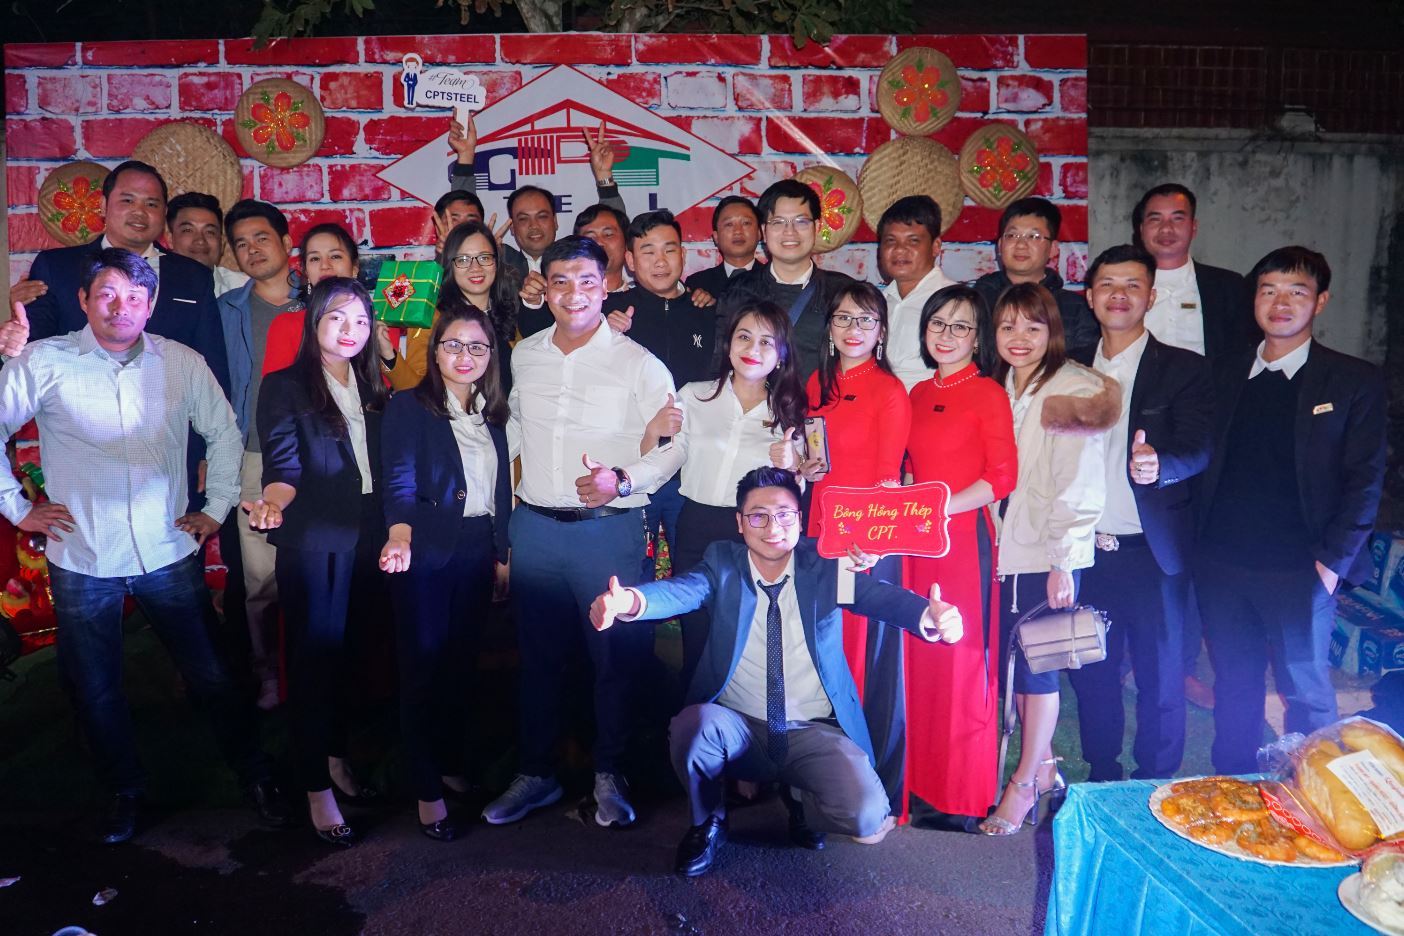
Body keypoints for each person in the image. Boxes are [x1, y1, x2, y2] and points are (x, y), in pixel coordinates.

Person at [0, 248, 290, 844]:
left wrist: (215, 507)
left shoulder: (180, 361)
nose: (121, 308)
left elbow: (224, 433)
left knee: (213, 676)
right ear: (84, 300)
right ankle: (124, 791)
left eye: (135, 297)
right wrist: (18, 508)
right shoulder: (45, 361)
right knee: (97, 687)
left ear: (151, 305)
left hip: (166, 551)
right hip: (83, 556)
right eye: (107, 294)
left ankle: (256, 775)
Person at [589, 467, 964, 876]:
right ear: (740, 522)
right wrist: (629, 601)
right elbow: (680, 591)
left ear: (800, 520)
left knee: (867, 816)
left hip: (811, 729)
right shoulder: (722, 562)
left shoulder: (827, 566)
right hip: (739, 727)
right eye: (758, 516)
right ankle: (708, 821)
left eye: (785, 515)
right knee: (692, 728)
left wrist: (929, 616)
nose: (773, 528)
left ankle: (801, 799)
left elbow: (877, 598)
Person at [480, 236, 683, 830]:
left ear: (607, 285)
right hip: (535, 529)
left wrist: (623, 479)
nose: (574, 294)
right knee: (539, 660)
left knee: (613, 660)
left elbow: (677, 444)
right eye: (561, 281)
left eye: (587, 281)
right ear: (545, 288)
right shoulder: (524, 356)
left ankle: (611, 773)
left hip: (608, 532)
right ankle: (536, 774)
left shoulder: (639, 363)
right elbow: (513, 431)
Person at [1195, 246, 1386, 774]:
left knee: (1305, 688)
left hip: (1302, 568)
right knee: (1234, 684)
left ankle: (1316, 796)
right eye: (1269, 290)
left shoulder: (1351, 380)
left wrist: (1332, 565)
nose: (1280, 303)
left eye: (1296, 292)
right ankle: (1234, 786)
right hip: (1223, 563)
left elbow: (1365, 480)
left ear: (1320, 302)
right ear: (1254, 299)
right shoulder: (1224, 371)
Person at [246, 277, 390, 848]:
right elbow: (282, 467)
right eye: (337, 317)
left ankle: (335, 758)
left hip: (370, 539)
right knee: (312, 665)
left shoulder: (374, 385)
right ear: (314, 322)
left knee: (352, 659)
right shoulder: (285, 386)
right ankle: (314, 788)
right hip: (314, 543)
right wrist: (273, 504)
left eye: (360, 320)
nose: (350, 330)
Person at [1066, 245, 1214, 782]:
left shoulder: (1183, 369)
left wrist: (1161, 465)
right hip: (1085, 552)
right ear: (1090, 296)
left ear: (1150, 297)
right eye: (1108, 284)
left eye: (1133, 285)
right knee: (1093, 674)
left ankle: (1155, 781)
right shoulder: (1068, 367)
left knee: (1161, 678)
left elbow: (1201, 445)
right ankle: (1102, 774)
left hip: (1152, 553)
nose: (1119, 295)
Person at [980, 283, 1118, 836]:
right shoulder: (1000, 386)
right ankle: (1042, 769)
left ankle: (1022, 785)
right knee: (1018, 662)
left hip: (1045, 549)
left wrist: (1064, 560)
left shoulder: (1073, 389)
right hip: (1006, 546)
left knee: (1040, 666)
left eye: (1033, 327)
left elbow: (1080, 486)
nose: (1020, 338)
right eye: (1008, 326)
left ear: (1053, 332)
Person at [379, 303, 513, 842]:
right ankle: (426, 789)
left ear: (490, 356)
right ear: (434, 353)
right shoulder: (409, 407)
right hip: (424, 552)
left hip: (476, 551)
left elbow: (499, 491)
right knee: (423, 669)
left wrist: (501, 553)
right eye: (452, 344)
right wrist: (400, 535)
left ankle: (452, 764)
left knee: (460, 667)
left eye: (476, 346)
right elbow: (398, 479)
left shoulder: (493, 415)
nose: (464, 355)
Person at [902, 284, 1017, 831]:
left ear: (977, 338)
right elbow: (910, 466)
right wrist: (907, 496)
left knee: (963, 662)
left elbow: (1001, 477)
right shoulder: (917, 393)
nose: (947, 335)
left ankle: (963, 797)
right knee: (919, 657)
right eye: (937, 324)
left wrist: (939, 505)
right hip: (916, 542)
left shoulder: (988, 393)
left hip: (963, 542)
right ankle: (918, 782)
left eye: (961, 326)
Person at [804, 281, 912, 803]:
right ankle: (816, 777)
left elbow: (890, 478)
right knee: (817, 653)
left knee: (856, 660)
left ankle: (866, 786)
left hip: (863, 543)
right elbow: (812, 459)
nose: (853, 329)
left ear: (881, 331)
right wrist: (802, 468)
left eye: (865, 320)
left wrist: (873, 542)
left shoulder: (889, 391)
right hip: (815, 531)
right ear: (830, 327)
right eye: (844, 318)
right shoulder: (816, 383)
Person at [672, 301, 807, 680]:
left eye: (766, 342)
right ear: (728, 343)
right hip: (695, 526)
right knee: (696, 635)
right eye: (744, 337)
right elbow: (665, 456)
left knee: (742, 644)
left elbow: (797, 490)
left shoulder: (788, 412)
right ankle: (692, 714)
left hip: (752, 534)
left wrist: (791, 465)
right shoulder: (693, 396)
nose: (752, 349)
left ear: (781, 356)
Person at [17, 160, 229, 394]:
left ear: (164, 213)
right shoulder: (56, 267)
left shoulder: (193, 276)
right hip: (78, 410)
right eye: (128, 200)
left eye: (151, 203)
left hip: (169, 414)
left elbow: (213, 368)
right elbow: (31, 352)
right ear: (103, 205)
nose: (140, 211)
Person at [216, 199, 303, 709]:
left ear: (287, 243)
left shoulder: (320, 299)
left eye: (262, 238)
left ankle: (323, 667)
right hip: (253, 454)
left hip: (320, 456)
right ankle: (268, 670)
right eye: (242, 244)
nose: (252, 250)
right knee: (260, 576)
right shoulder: (227, 310)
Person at [603, 209, 721, 552]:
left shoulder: (707, 311)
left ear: (682, 254)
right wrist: (602, 337)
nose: (660, 261)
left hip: (693, 467)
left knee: (694, 563)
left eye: (669, 250)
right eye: (648, 251)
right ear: (630, 260)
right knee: (632, 563)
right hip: (632, 462)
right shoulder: (609, 312)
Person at [727, 179, 855, 381]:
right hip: (755, 401)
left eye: (801, 222)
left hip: (821, 400)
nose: (790, 231)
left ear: (817, 227)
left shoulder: (843, 292)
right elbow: (720, 362)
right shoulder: (738, 290)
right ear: (764, 232)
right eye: (778, 222)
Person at [388, 220, 518, 395]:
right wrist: (388, 356)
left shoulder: (507, 312)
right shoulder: (433, 317)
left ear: (496, 262)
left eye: (484, 258)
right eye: (463, 260)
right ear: (450, 265)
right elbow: (416, 389)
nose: (475, 267)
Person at [1132, 183, 1258, 360]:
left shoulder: (1229, 287)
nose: (1166, 228)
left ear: (1194, 227)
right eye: (1155, 219)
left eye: (1177, 219)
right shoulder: (1121, 287)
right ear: (1141, 229)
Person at [261, 222, 394, 377]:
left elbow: (389, 386)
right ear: (306, 271)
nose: (325, 265)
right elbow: (276, 388)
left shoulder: (378, 324)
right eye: (315, 258)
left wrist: (385, 354)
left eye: (335, 256)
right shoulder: (286, 325)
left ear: (354, 268)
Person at [972, 197, 1099, 356]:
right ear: (1000, 245)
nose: (1021, 245)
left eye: (1034, 236)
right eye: (1012, 235)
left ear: (1053, 249)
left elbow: (1084, 365)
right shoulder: (977, 300)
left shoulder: (1076, 309)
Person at [875, 195, 956, 391]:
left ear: (936, 246)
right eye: (890, 241)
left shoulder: (954, 302)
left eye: (913, 241)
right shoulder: (877, 303)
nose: (899, 250)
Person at [165, 192, 249, 297]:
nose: (200, 240)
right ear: (170, 239)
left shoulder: (246, 289)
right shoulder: (150, 288)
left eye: (210, 232)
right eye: (188, 230)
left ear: (222, 243)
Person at [685, 196, 763, 300]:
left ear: (759, 233)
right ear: (716, 237)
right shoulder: (697, 284)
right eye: (729, 224)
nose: (738, 231)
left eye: (746, 223)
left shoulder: (776, 280)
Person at [575, 204, 632, 294]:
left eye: (608, 234)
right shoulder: (564, 300)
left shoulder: (645, 299)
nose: (599, 242)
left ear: (626, 243)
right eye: (590, 237)